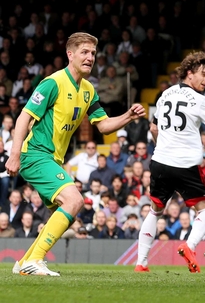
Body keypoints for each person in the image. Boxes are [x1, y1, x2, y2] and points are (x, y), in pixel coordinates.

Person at [6, 32, 147, 276]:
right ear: (70, 55)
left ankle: (25, 263)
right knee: (74, 201)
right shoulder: (53, 82)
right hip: (36, 154)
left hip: (52, 160)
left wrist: (128, 116)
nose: (90, 57)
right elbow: (24, 116)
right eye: (84, 52)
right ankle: (36, 260)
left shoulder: (89, 90)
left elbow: (102, 126)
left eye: (93, 53)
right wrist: (14, 154)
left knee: (67, 214)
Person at [134, 53, 205, 274]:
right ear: (189, 73)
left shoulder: (163, 95)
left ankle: (141, 263)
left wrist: (163, 147)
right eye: (203, 74)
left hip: (160, 162)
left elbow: (153, 128)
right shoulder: (199, 100)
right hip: (185, 165)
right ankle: (189, 247)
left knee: (155, 212)